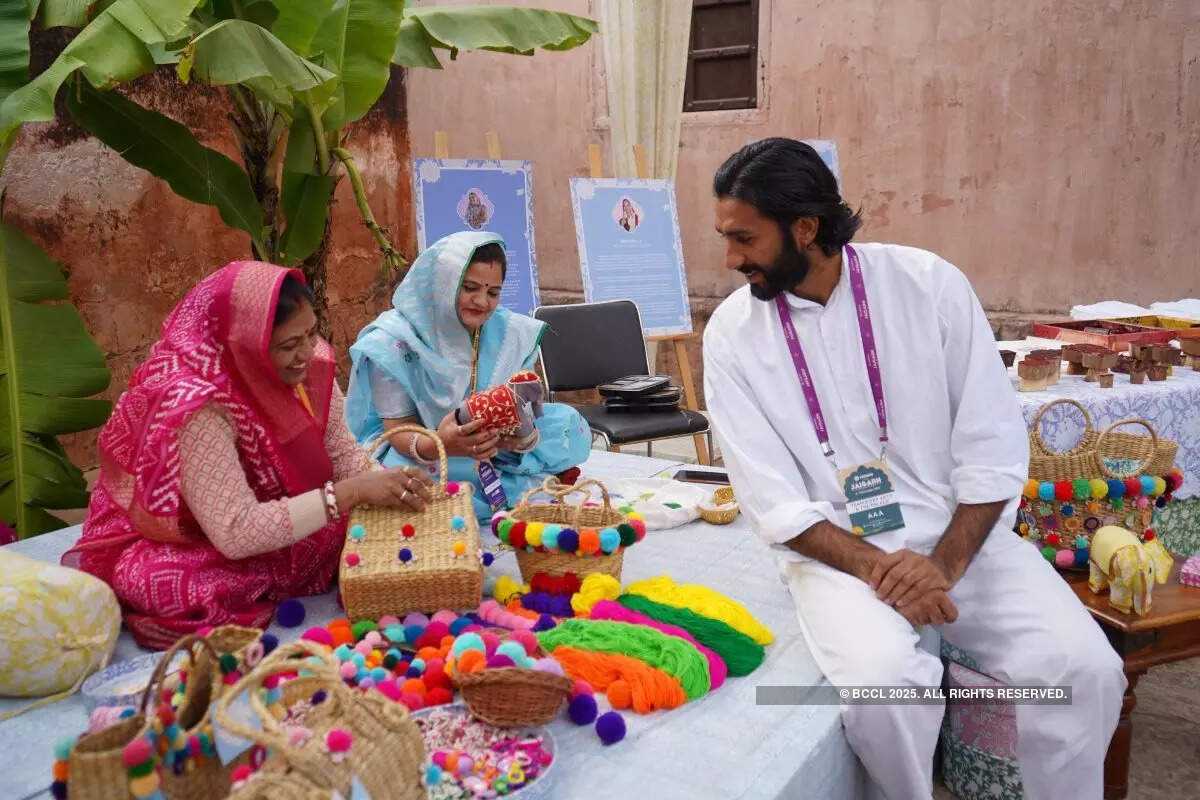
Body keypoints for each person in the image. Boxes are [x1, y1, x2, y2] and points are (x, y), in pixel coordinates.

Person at [703, 138, 1124, 799]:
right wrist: (882, 570)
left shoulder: (928, 286)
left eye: (743, 239)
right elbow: (773, 501)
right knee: (885, 690)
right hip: (839, 556)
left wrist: (942, 568)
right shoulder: (732, 335)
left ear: (805, 229)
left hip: (962, 546)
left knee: (1084, 670)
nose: (730, 260)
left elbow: (991, 452)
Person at [65, 262, 432, 649]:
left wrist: (385, 484)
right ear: (242, 345)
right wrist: (351, 494)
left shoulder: (310, 369)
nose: (307, 353)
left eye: (310, 334)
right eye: (289, 345)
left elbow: (345, 458)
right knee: (165, 582)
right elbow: (235, 532)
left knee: (361, 527)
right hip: (204, 537)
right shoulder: (198, 406)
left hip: (284, 515)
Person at [345, 231, 591, 521]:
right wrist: (443, 444)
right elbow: (398, 429)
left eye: (493, 293)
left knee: (565, 423)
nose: (482, 302)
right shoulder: (393, 341)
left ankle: (516, 475)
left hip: (484, 445)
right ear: (442, 285)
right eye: (470, 288)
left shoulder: (508, 331)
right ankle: (529, 483)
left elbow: (514, 403)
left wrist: (515, 434)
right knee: (403, 473)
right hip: (423, 446)